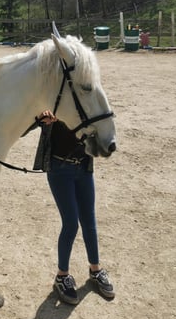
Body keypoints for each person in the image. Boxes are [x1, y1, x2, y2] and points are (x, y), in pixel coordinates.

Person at [33, 109, 115, 304]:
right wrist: (41, 119)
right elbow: (30, 121)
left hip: (83, 169)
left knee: (89, 221)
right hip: (60, 170)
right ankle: (62, 276)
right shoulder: (54, 101)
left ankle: (95, 269)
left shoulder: (87, 103)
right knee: (71, 224)